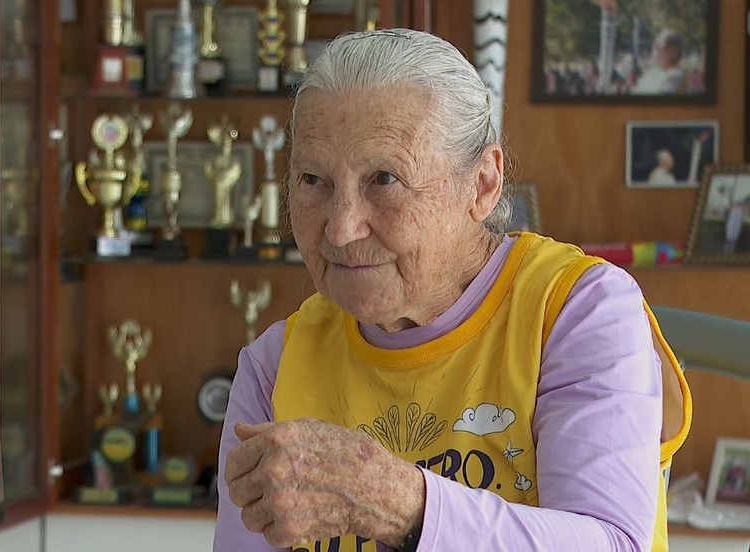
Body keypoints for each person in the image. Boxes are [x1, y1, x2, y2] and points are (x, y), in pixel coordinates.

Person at [215, 29, 691, 552]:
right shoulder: (275, 367)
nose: (340, 228)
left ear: (483, 184)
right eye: (312, 180)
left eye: (384, 179)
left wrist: (398, 504)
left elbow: (614, 543)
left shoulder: (577, 311)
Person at [633, 29, 685, 95]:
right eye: (655, 44)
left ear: (674, 51)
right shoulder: (651, 74)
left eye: (660, 44)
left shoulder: (676, 78)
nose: (655, 48)